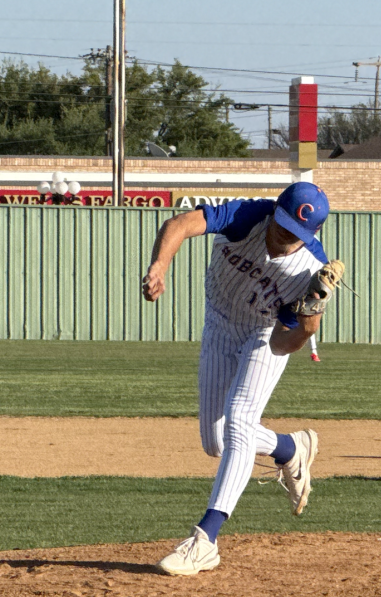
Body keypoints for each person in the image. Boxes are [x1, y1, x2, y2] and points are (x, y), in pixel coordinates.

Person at [141, 182, 334, 576]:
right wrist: (159, 266)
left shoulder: (309, 271)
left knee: (241, 420)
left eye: (294, 236)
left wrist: (309, 325)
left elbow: (284, 343)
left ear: (311, 235)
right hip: (218, 321)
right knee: (215, 441)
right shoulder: (248, 216)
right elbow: (178, 225)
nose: (283, 240)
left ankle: (205, 539)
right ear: (274, 214)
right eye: (281, 228)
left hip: (264, 333)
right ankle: (289, 449)